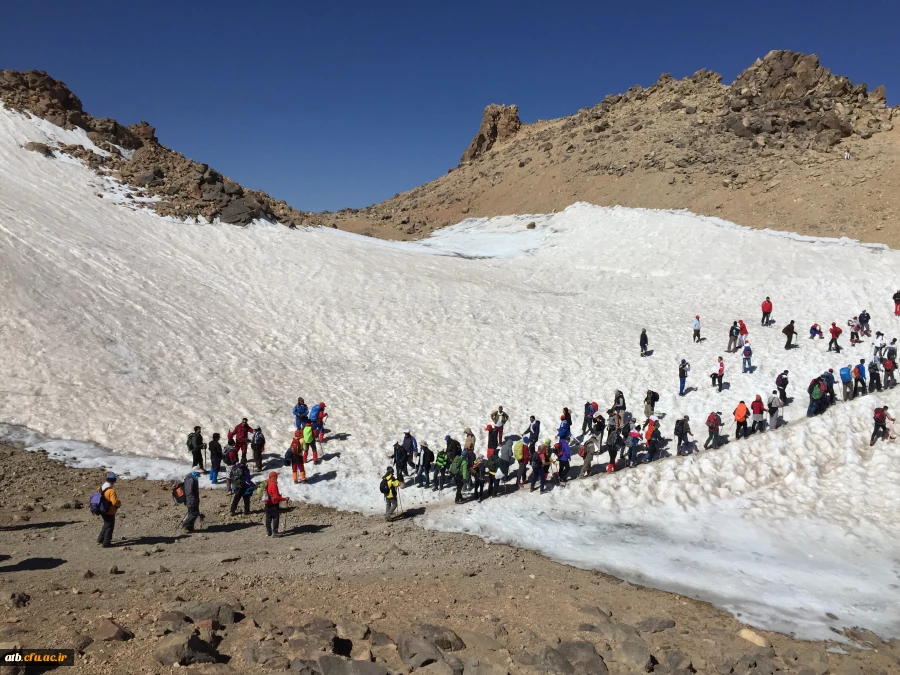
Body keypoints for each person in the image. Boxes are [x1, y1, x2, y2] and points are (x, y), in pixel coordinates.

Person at [96, 473, 121, 548]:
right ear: (113, 482)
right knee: (110, 526)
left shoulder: (100, 488)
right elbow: (114, 502)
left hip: (101, 509)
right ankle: (106, 543)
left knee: (106, 524)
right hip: (109, 511)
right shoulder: (111, 491)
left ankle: (100, 539)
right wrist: (119, 503)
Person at [264, 471, 288, 536]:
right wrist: (284, 499)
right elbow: (276, 497)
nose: (277, 477)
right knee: (275, 517)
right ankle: (275, 532)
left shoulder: (267, 482)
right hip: (274, 503)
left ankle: (268, 531)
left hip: (267, 502)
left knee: (268, 518)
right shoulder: (273, 484)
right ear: (274, 477)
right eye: (276, 476)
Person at [182, 468, 201, 532]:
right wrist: (193, 500)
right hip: (191, 500)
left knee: (191, 513)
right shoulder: (190, 479)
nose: (200, 474)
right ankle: (185, 524)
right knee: (194, 514)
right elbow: (189, 492)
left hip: (192, 499)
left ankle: (189, 528)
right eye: (199, 473)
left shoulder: (193, 478)